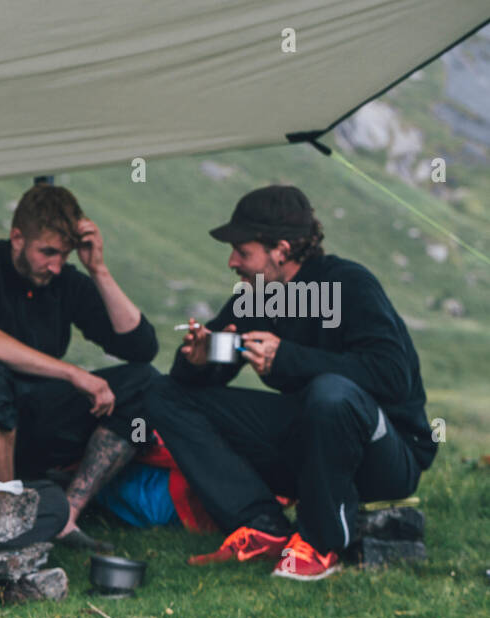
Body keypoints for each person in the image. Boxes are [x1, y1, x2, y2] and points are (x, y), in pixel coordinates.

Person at [146, 185, 437, 580]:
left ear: (280, 250)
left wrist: (288, 358)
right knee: (162, 394)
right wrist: (198, 359)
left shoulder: (348, 284)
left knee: (330, 393)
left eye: (243, 251)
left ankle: (321, 543)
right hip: (311, 443)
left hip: (388, 454)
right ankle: (262, 525)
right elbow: (193, 382)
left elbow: (391, 375)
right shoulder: (257, 296)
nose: (232, 261)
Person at [0, 183, 159, 549]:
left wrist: (97, 269)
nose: (55, 265)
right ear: (17, 238)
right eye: (47, 252)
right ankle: (6, 516)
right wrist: (72, 373)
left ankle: (66, 517)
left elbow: (141, 347)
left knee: (144, 383)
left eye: (63, 255)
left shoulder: (62, 280)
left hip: (36, 420)